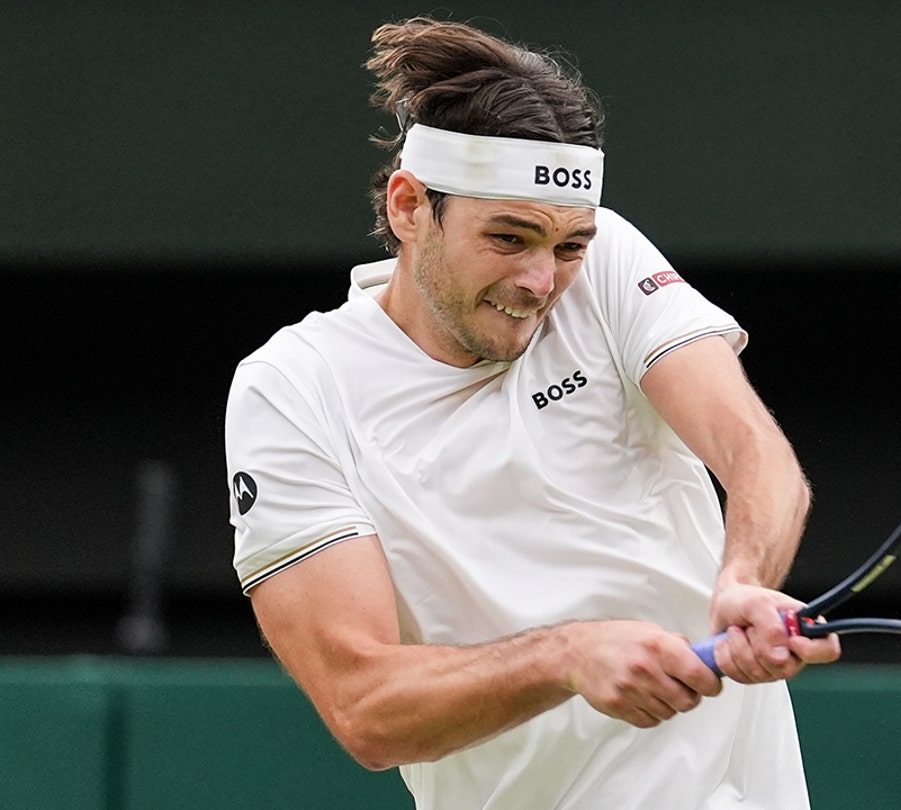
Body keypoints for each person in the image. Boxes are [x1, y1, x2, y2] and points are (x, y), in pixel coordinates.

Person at [224, 16, 840, 810]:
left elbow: (755, 452)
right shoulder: (293, 387)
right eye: (508, 238)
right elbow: (363, 705)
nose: (543, 281)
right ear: (410, 208)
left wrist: (744, 578)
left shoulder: (609, 261)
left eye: (568, 245)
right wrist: (567, 658)